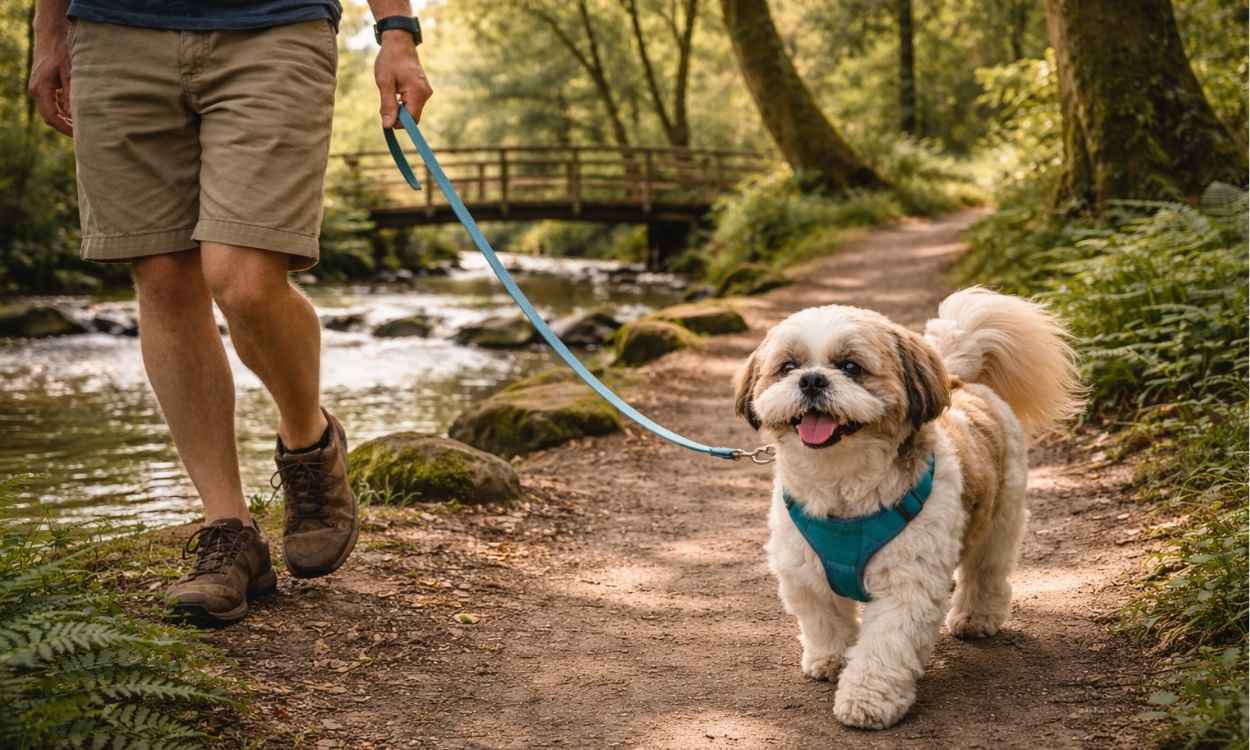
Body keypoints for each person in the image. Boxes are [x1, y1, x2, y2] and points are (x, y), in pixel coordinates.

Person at [29, 0, 433, 626]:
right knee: (163, 277)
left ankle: (308, 443)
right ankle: (229, 532)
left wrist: (397, 33)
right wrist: (48, 33)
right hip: (113, 34)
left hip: (275, 24)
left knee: (242, 279)